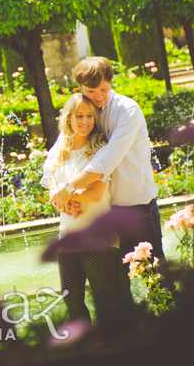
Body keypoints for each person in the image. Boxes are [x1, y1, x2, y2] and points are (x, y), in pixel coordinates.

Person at [47, 56, 165, 303]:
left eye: (104, 89)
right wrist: (58, 193)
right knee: (118, 291)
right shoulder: (84, 111)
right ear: (81, 88)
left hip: (137, 208)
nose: (99, 96)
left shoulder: (127, 110)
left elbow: (105, 162)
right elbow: (52, 160)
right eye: (92, 91)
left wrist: (68, 189)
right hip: (105, 216)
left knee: (157, 280)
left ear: (111, 83)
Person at [41, 93, 119, 326]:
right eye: (79, 116)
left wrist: (68, 196)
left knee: (104, 298)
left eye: (90, 116)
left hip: (99, 237)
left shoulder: (101, 149)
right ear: (68, 118)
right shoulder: (60, 148)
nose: (85, 121)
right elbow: (49, 178)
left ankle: (116, 347)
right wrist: (60, 196)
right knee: (71, 296)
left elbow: (96, 193)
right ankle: (87, 347)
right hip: (68, 235)